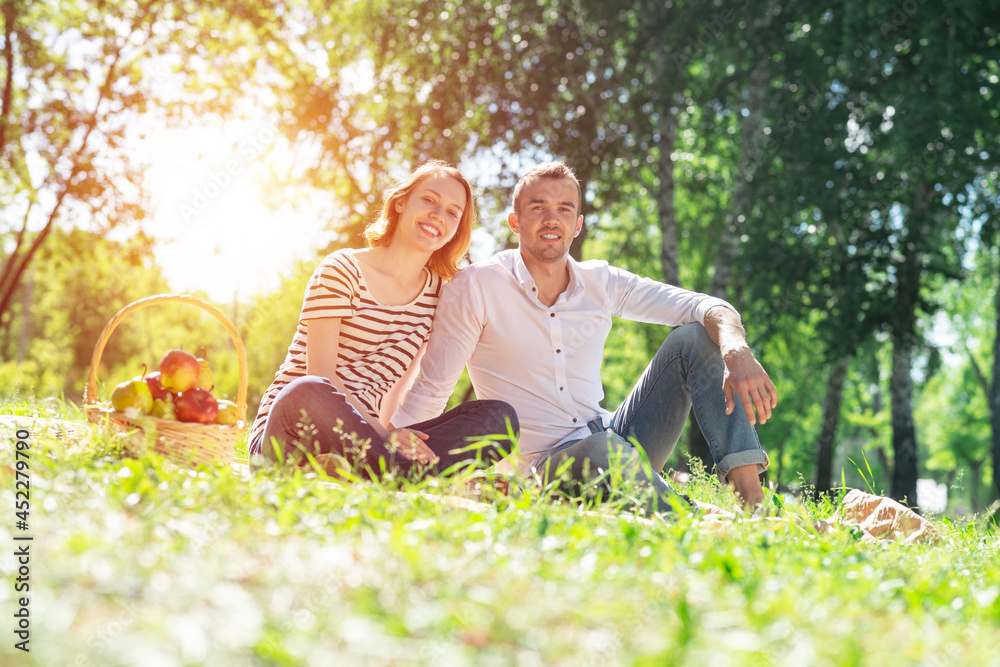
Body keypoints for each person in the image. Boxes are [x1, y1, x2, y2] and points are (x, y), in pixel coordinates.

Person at [392, 161, 775, 512]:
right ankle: (692, 515)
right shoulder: (477, 286)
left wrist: (737, 351)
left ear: (577, 224)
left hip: (616, 435)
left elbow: (707, 307)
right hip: (547, 467)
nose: (551, 219)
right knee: (600, 449)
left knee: (696, 337)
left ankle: (752, 504)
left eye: (564, 209)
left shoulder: (601, 282)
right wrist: (393, 450)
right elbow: (433, 387)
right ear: (515, 222)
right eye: (537, 207)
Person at [248, 161, 518, 478]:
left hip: (365, 441)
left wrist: (396, 436)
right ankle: (395, 474)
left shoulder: (436, 296)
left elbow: (397, 388)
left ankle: (381, 470)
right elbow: (320, 373)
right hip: (293, 427)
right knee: (306, 391)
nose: (438, 215)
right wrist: (383, 436)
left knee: (498, 418)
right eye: (429, 200)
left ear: (456, 230)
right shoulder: (341, 269)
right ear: (401, 202)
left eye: (452, 213)